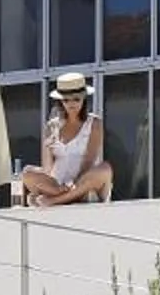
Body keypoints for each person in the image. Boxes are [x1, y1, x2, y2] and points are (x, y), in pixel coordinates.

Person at [21, 71, 113, 205]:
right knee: (27, 173)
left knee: (105, 169)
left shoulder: (94, 123)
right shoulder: (51, 126)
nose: (71, 104)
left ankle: (56, 200)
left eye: (76, 99)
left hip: (82, 182)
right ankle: (62, 196)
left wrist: (73, 184)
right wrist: (49, 148)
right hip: (57, 185)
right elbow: (48, 168)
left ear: (83, 99)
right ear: (61, 101)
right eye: (66, 100)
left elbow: (89, 161)